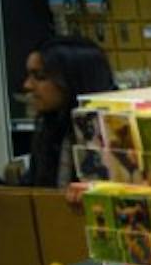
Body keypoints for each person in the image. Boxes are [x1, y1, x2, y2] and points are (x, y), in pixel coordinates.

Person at [17, 36, 113, 191]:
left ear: (72, 80)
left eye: (40, 77)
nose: (27, 85)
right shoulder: (48, 128)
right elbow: (34, 189)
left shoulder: (110, 133)